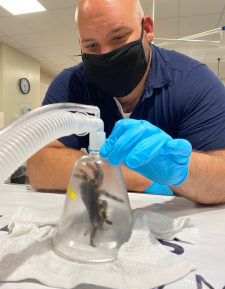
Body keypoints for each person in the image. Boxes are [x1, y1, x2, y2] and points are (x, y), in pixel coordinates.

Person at [27, 0, 225, 204]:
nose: (106, 54)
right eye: (91, 45)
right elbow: (38, 166)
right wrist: (138, 178)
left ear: (146, 29)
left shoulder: (195, 82)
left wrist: (182, 171)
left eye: (119, 37)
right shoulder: (71, 85)